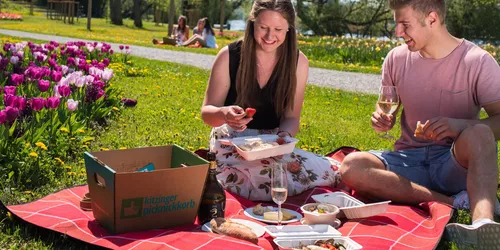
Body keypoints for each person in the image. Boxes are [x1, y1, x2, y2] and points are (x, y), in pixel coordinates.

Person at [339, 0, 500, 248]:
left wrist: (460, 125)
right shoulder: (395, 58)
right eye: (397, 25)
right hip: (407, 161)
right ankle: (452, 201)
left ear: (432, 19)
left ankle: (481, 224)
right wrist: (382, 119)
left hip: (452, 162)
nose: (398, 33)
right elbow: (385, 107)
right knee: (351, 166)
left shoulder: (477, 61)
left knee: (479, 132)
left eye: (405, 24)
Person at [200, 0, 341, 201]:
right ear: (252, 23)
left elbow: (292, 117)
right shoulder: (229, 56)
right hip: (230, 143)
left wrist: (283, 137)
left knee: (326, 173)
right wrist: (224, 114)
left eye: (278, 29)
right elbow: (207, 114)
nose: (269, 36)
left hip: (272, 144)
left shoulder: (298, 62)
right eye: (263, 27)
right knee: (268, 183)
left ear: (289, 29)